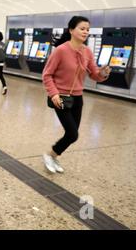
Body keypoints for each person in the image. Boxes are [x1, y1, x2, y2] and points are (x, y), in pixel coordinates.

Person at [42, 16, 111, 174]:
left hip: (78, 98)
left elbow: (94, 74)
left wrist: (103, 73)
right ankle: (50, 155)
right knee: (73, 133)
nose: (85, 32)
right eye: (82, 28)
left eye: (87, 29)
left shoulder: (87, 51)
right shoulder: (61, 51)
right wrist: (53, 94)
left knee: (72, 135)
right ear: (71, 30)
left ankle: (53, 156)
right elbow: (47, 75)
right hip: (61, 97)